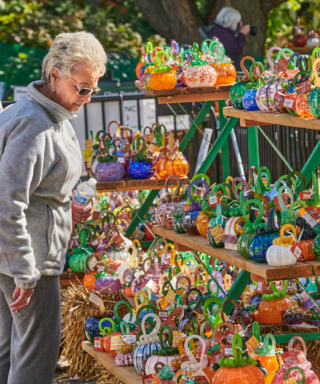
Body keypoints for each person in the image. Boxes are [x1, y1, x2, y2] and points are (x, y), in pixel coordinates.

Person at [0, 31, 107, 384]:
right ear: (55, 75)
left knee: (8, 351)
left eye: (93, 89)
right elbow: (7, 202)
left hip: (13, 257)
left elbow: (41, 189)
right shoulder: (35, 125)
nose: (87, 98)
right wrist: (25, 272)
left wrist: (69, 206)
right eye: (83, 87)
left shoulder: (51, 114)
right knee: (36, 358)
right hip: (28, 261)